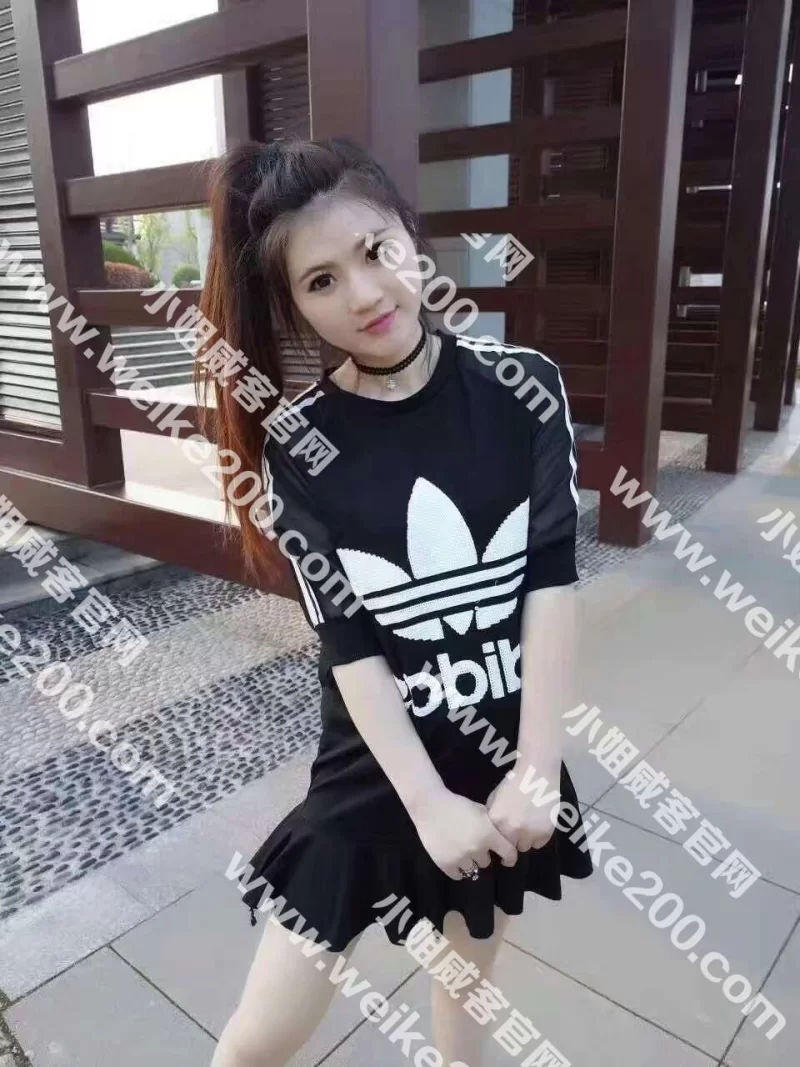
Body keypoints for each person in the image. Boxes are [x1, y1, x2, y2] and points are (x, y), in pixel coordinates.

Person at [199, 136, 594, 1067]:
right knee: (257, 1042)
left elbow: (550, 581)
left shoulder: (522, 386)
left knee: (465, 988)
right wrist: (424, 801)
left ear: (411, 237)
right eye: (321, 281)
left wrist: (538, 766)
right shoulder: (301, 445)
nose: (365, 293)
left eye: (375, 250)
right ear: (294, 306)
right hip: (376, 770)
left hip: (500, 754)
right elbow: (349, 642)